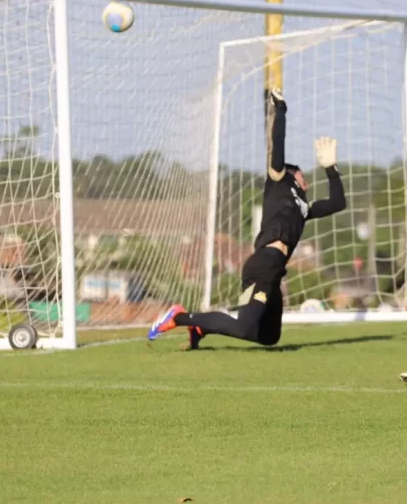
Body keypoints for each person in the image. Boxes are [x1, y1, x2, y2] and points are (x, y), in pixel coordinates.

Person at [148, 88, 346, 348]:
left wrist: (331, 167)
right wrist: (281, 109)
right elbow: (278, 148)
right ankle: (180, 317)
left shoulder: (303, 207)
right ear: (290, 174)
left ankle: (200, 327)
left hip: (275, 271)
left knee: (269, 337)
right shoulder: (278, 182)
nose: (305, 179)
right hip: (263, 263)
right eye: (301, 174)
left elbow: (337, 203)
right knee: (243, 327)